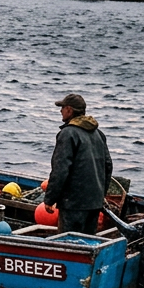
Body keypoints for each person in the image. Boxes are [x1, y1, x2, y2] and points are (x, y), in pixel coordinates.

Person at [43, 93, 113, 235]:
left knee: (69, 243)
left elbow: (60, 170)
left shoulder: (68, 133)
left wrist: (50, 198)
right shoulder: (99, 134)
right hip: (94, 202)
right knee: (88, 242)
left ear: (69, 110)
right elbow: (108, 166)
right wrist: (100, 195)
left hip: (73, 204)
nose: (60, 111)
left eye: (62, 108)